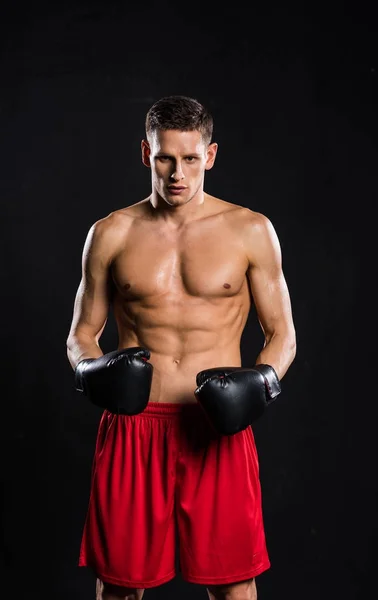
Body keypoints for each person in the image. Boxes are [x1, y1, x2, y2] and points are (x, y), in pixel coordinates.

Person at [66, 94, 297, 600]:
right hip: (133, 428)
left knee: (234, 586)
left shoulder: (250, 230)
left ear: (210, 155)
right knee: (121, 587)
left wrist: (259, 382)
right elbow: (81, 333)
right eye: (165, 157)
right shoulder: (110, 233)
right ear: (145, 154)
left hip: (215, 428)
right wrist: (92, 369)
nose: (178, 173)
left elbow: (282, 335)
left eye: (191, 159)